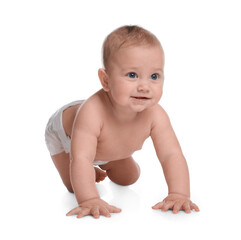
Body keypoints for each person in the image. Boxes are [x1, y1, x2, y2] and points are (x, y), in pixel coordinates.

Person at [45, 25, 199, 219]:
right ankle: (91, 171)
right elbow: (81, 157)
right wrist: (89, 199)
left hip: (108, 140)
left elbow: (171, 154)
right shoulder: (91, 112)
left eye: (154, 76)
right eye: (132, 75)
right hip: (65, 135)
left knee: (129, 178)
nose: (144, 86)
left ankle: (108, 158)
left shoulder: (156, 115)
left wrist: (179, 194)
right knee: (75, 185)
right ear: (106, 80)